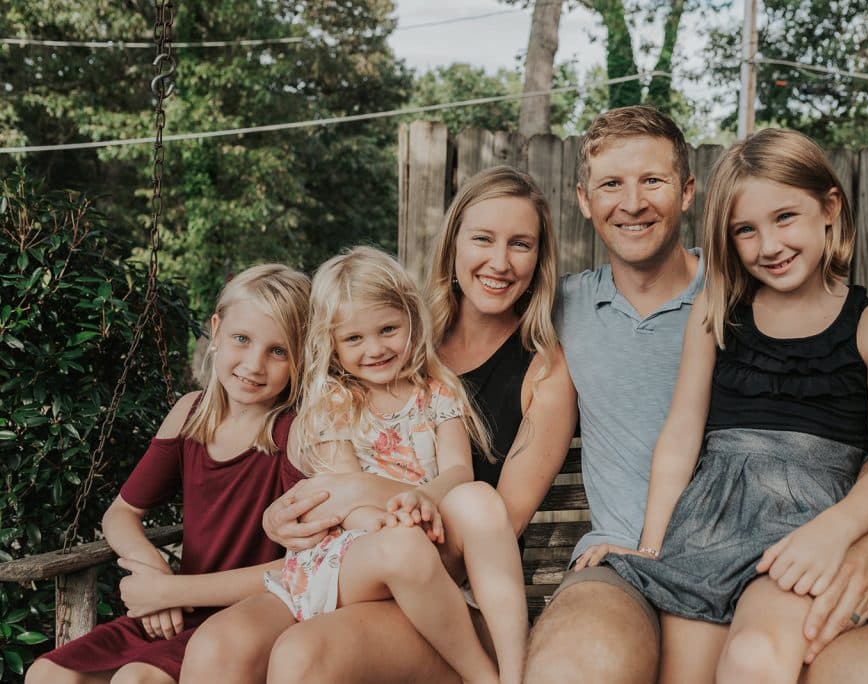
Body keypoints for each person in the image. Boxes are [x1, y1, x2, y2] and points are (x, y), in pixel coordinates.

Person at [522, 106, 868, 684]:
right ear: (583, 198)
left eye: (785, 218)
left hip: (801, 534)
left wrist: (844, 531)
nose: (769, 244)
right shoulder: (715, 314)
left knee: (755, 659)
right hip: (702, 533)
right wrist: (652, 545)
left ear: (830, 208)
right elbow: (681, 434)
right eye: (746, 230)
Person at [181, 167, 576, 684]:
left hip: (450, 578)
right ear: (453, 241)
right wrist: (285, 508)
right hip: (353, 555)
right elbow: (300, 440)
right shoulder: (395, 331)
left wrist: (350, 492)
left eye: (520, 244)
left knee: (303, 658)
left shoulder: (536, 370)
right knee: (216, 648)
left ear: (539, 258)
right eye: (483, 238)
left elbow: (492, 517)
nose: (499, 262)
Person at [26, 264, 311, 684]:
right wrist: (152, 572)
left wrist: (171, 592)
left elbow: (303, 569)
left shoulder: (297, 432)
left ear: (302, 357)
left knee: (137, 680)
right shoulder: (190, 415)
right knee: (47, 673)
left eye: (279, 351)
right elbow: (120, 513)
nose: (254, 364)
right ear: (215, 331)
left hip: (248, 619)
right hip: (175, 610)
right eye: (242, 339)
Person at [264, 245, 528, 684]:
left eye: (388, 329)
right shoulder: (335, 405)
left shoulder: (437, 393)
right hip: (356, 549)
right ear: (331, 345)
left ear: (411, 319)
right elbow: (345, 502)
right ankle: (483, 676)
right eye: (353, 339)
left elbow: (459, 473)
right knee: (403, 544)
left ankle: (517, 671)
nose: (375, 349)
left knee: (479, 497)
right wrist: (391, 521)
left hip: (425, 533)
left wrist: (423, 498)